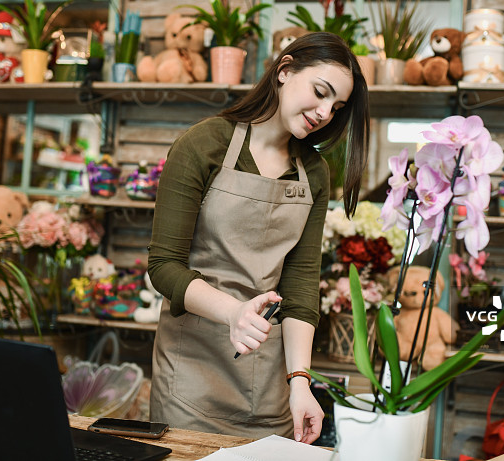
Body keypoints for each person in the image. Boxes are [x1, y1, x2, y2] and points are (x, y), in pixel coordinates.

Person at [147, 32, 370, 444]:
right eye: (320, 92)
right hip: (191, 379)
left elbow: (300, 287)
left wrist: (300, 382)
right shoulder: (204, 144)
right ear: (284, 70)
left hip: (270, 387)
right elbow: (164, 267)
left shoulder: (314, 172)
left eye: (336, 107)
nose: (325, 113)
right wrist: (234, 313)